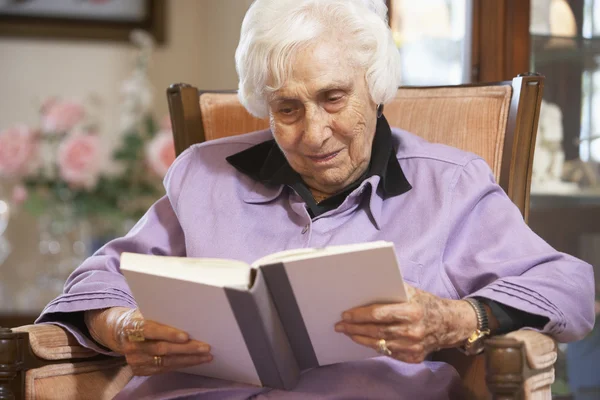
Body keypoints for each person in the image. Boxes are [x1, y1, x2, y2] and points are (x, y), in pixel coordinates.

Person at [38, 0, 595, 398]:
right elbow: (96, 281)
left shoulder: (450, 185)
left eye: (333, 98)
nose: (313, 132)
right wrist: (126, 326)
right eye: (286, 108)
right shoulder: (202, 176)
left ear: (375, 87)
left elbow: (570, 288)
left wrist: (456, 318)